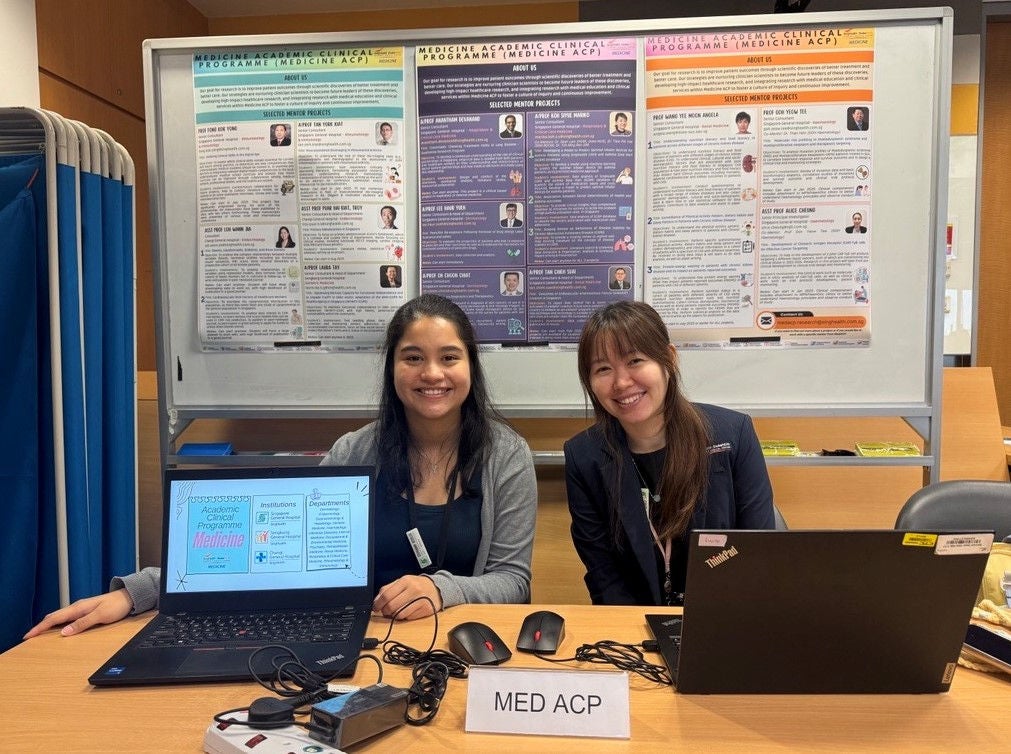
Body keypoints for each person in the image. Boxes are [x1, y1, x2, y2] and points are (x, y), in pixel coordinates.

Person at [23, 295, 538, 637]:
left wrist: (443, 589)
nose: (432, 374)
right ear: (392, 368)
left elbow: (514, 582)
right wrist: (144, 591)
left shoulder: (506, 456)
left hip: (455, 648)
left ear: (470, 366)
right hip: (356, 644)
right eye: (412, 357)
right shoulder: (354, 452)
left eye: (449, 357)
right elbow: (270, 554)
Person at [564, 301, 774, 606]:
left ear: (669, 359)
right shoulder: (584, 457)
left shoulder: (732, 435)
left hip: (724, 614)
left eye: (635, 360)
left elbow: (758, 553)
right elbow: (603, 575)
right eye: (603, 369)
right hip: (631, 622)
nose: (621, 382)